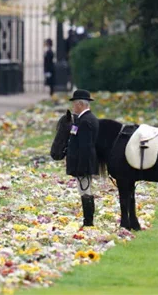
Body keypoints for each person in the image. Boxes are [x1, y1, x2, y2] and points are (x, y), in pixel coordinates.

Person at [67, 89, 100, 227]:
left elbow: (85, 147)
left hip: (84, 163)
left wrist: (81, 168)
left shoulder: (85, 121)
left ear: (80, 104)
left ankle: (88, 221)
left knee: (85, 191)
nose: (73, 107)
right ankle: (88, 220)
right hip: (84, 162)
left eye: (74, 104)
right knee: (85, 191)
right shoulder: (85, 119)